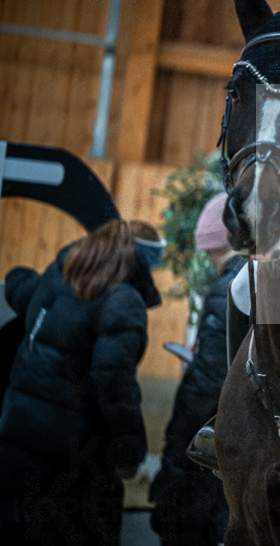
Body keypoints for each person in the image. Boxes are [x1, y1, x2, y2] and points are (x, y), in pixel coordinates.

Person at [0, 218, 164, 544]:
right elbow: (114, 384)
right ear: (141, 260)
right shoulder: (124, 300)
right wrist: (129, 451)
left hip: (16, 436)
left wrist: (17, 276)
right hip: (72, 458)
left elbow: (21, 289)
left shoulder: (59, 277)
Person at [150, 193, 244, 545]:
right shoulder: (254, 283)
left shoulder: (227, 290)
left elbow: (208, 383)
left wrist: (176, 449)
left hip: (209, 438)